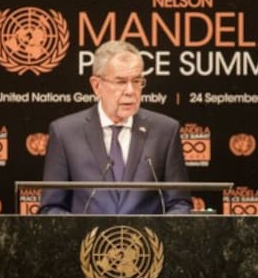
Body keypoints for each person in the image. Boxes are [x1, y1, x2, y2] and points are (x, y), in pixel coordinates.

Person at [39, 40, 191, 214]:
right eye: (120, 82)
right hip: (88, 240)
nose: (130, 91)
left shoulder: (165, 130)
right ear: (96, 86)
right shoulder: (64, 133)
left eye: (137, 81)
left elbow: (179, 204)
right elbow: (51, 208)